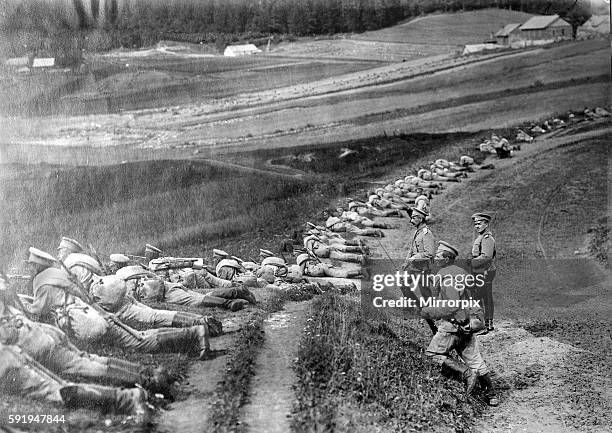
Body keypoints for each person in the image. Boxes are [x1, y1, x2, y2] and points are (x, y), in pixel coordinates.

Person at [22, 247, 212, 360]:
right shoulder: (57, 274)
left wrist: (23, 305)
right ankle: (196, 330)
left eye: (31, 265)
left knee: (140, 342)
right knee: (140, 335)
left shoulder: (42, 281)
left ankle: (195, 332)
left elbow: (38, 310)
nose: (30, 268)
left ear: (37, 265)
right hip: (94, 312)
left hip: (88, 321)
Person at [417, 241, 498, 406]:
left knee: (432, 355)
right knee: (475, 360)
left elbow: (451, 305)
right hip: (468, 325)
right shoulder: (461, 273)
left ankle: (466, 374)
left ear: (447, 259)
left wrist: (429, 312)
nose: (435, 257)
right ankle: (491, 394)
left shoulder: (446, 277)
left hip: (452, 327)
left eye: (439, 255)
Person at [0, 343, 150, 421]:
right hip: (13, 356)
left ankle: (129, 396)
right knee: (58, 388)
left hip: (16, 355)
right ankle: (130, 395)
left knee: (55, 389)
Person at [471, 213, 496, 332]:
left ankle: (486, 323)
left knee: (483, 297)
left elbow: (486, 257)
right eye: (475, 224)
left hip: (486, 271)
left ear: (486, 224)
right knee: (481, 297)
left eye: (479, 223)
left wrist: (470, 263)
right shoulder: (481, 237)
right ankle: (484, 323)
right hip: (480, 271)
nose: (477, 226)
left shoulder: (487, 238)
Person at [296, 253, 365, 280]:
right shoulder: (308, 258)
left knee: (343, 274)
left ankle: (361, 272)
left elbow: (301, 273)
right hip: (323, 267)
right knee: (341, 272)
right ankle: (360, 272)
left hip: (321, 268)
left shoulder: (301, 258)